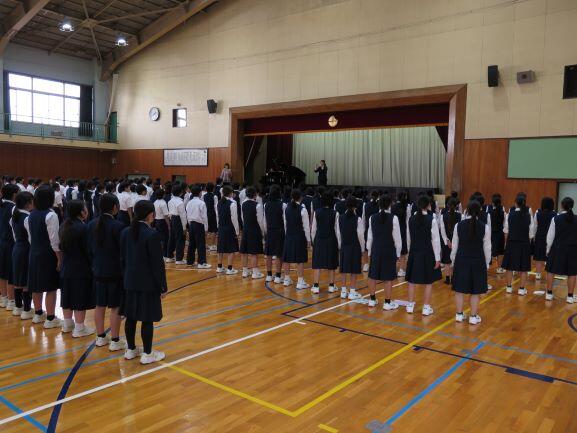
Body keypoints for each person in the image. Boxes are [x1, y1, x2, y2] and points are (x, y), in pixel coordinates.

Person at [121, 200, 167, 364]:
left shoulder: (125, 232)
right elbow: (157, 264)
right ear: (150, 215)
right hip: (148, 283)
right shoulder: (152, 234)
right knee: (147, 317)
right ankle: (147, 353)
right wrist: (162, 286)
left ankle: (131, 349)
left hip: (129, 281)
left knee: (131, 316)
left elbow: (122, 259)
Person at [87, 193, 126, 351]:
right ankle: (115, 340)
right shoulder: (118, 226)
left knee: (100, 304)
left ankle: (100, 337)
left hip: (97, 269)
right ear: (115, 207)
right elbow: (123, 251)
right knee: (116, 306)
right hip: (115, 271)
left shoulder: (91, 224)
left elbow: (89, 249)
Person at [25, 185, 63, 328]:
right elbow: (54, 241)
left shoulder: (30, 215)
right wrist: (59, 258)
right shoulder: (51, 215)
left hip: (34, 252)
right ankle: (51, 318)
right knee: (51, 286)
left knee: (36, 285)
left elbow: (30, 238)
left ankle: (38, 314)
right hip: (48, 254)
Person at [450, 200, 491, 325]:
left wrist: (453, 261)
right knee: (475, 290)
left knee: (459, 289)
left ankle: (459, 315)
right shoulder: (485, 227)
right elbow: (487, 248)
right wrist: (486, 263)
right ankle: (473, 317)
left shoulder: (458, 226)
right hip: (478, 261)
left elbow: (454, 247)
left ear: (466, 210)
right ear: (479, 212)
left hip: (461, 260)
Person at [59, 200, 95, 337]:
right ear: (81, 212)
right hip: (81, 267)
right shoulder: (83, 228)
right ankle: (79, 328)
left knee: (67, 295)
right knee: (79, 296)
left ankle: (67, 324)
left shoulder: (64, 225)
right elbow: (88, 249)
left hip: (66, 266)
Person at [405, 195, 442, 315]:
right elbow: (435, 241)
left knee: (411, 281)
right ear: (428, 205)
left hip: (414, 252)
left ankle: (410, 305)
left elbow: (408, 238)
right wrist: (437, 258)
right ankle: (426, 308)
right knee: (428, 281)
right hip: (427, 253)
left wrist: (409, 252)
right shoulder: (432, 220)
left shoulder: (411, 219)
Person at [366, 195, 402, 309]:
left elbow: (370, 237)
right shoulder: (394, 218)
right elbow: (397, 238)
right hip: (388, 249)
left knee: (372, 275)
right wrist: (398, 253)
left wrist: (369, 251)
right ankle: (387, 303)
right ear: (390, 204)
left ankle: (372, 300)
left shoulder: (372, 217)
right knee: (388, 276)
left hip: (376, 249)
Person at [545, 197, 577, 303]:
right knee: (572, 273)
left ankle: (549, 294)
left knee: (551, 270)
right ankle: (570, 297)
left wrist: (548, 249)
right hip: (573, 249)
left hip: (557, 248)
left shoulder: (556, 218)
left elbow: (550, 237)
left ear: (562, 205)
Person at [503, 193, 534, 296]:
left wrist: (506, 243)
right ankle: (521, 289)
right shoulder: (528, 216)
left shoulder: (509, 215)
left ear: (515, 203)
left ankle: (508, 287)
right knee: (524, 267)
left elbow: (506, 231)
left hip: (511, 243)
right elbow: (531, 234)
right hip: (524, 243)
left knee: (509, 266)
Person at [10, 191, 34, 319]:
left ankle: (18, 307)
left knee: (18, 278)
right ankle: (26, 310)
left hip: (17, 247)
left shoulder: (14, 216)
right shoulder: (27, 218)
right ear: (28, 203)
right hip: (26, 248)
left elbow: (15, 235)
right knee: (25, 280)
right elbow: (31, 238)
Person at [311, 192, 339, 294]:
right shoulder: (335, 213)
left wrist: (313, 241)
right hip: (331, 239)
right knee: (331, 263)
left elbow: (313, 229)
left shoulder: (316, 212)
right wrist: (338, 243)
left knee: (317, 263)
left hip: (319, 239)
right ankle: (331, 286)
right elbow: (337, 230)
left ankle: (316, 286)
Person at [282, 189, 310, 289]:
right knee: (300, 259)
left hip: (289, 235)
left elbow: (285, 223)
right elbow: (306, 227)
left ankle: (286, 279)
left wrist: (287, 234)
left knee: (286, 258)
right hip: (299, 236)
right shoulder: (303, 209)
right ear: (301, 197)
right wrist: (308, 239)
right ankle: (300, 281)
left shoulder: (286, 208)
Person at [338, 196, 365, 300]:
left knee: (344, 269)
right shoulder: (358, 219)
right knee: (354, 269)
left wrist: (340, 245)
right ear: (356, 206)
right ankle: (352, 292)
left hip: (344, 246)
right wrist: (362, 249)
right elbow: (360, 236)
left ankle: (343, 291)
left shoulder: (340, 217)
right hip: (354, 246)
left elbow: (338, 233)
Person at [240, 186, 265, 279]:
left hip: (246, 229)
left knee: (244, 251)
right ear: (255, 194)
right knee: (254, 252)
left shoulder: (243, 203)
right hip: (254, 230)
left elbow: (242, 217)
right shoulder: (257, 205)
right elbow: (260, 221)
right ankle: (255, 272)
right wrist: (262, 232)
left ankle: (245, 271)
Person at [0, 183, 18, 310]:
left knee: (2, 272)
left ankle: (4, 298)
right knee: (10, 272)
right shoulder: (13, 208)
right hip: (10, 243)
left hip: (1, 241)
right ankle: (11, 300)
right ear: (14, 195)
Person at [185, 185, 211, 269]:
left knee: (191, 243)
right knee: (201, 244)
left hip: (191, 224)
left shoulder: (189, 202)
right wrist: (206, 228)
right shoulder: (201, 203)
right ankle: (201, 262)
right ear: (200, 193)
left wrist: (189, 224)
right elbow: (204, 217)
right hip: (199, 224)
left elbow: (187, 214)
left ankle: (190, 261)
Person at [215, 185, 240, 275]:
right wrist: (237, 231)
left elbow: (217, 216)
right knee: (231, 249)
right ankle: (230, 268)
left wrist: (218, 227)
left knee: (220, 248)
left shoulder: (218, 203)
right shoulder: (232, 204)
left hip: (221, 227)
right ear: (230, 193)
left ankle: (219, 267)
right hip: (229, 228)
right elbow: (234, 219)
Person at [263, 185, 285, 283]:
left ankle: (269, 275)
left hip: (270, 230)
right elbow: (285, 220)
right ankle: (278, 276)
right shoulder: (282, 205)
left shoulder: (266, 205)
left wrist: (265, 231)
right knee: (279, 254)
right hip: (279, 231)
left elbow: (265, 220)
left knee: (269, 253)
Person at [533, 197, 556, 281]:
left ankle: (538, 274)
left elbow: (535, 226)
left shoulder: (538, 213)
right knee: (550, 256)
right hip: (551, 237)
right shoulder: (555, 214)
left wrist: (534, 237)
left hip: (540, 236)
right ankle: (549, 274)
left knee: (538, 256)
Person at [440, 198, 461, 285]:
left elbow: (442, 231)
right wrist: (456, 242)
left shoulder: (443, 216)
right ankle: (454, 278)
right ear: (457, 206)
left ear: (447, 205)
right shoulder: (460, 215)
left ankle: (448, 279)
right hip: (457, 241)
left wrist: (447, 241)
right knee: (454, 260)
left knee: (447, 261)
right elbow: (460, 230)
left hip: (447, 242)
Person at [167, 185, 187, 265]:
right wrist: (184, 227)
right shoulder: (180, 202)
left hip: (172, 219)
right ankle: (179, 259)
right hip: (178, 220)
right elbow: (183, 216)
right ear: (181, 193)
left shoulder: (170, 201)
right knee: (180, 239)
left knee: (171, 238)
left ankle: (169, 256)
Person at [391, 191, 409, 277]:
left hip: (393, 230)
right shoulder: (406, 206)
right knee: (403, 251)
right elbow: (408, 220)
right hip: (402, 230)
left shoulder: (393, 207)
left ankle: (392, 269)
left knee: (394, 248)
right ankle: (401, 270)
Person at [487, 194, 506, 274]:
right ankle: (499, 268)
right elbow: (504, 224)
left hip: (491, 233)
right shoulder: (503, 212)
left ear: (492, 203)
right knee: (500, 252)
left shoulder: (489, 212)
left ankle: (486, 267)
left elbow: (488, 224)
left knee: (489, 250)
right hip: (500, 234)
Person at [152, 188, 170, 261]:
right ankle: (164, 255)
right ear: (163, 195)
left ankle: (160, 254)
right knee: (165, 239)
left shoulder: (155, 202)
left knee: (160, 238)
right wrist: (169, 225)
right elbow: (166, 215)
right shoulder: (163, 203)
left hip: (157, 221)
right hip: (162, 222)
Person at [203, 182, 218, 252]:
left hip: (205, 214)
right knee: (214, 230)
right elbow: (216, 207)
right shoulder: (215, 196)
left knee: (206, 229)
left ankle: (205, 244)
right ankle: (212, 245)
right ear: (213, 188)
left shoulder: (203, 196)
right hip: (212, 214)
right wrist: (217, 216)